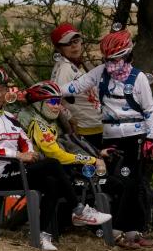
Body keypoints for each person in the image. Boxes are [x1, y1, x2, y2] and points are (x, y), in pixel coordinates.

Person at [0, 68, 110, 250]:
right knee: (52, 163)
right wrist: (18, 155)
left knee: (52, 181)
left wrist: (28, 153)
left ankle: (41, 235)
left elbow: (24, 139)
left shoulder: (9, 117)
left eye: (2, 89)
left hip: (16, 169)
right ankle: (79, 210)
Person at [61, 29, 153, 245]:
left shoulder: (139, 78)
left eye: (116, 59)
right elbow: (77, 86)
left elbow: (150, 110)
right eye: (107, 60)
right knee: (115, 182)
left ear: (127, 55)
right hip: (111, 136)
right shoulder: (100, 72)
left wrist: (150, 138)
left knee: (134, 183)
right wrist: (51, 90)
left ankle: (131, 231)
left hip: (135, 135)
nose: (111, 64)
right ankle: (115, 229)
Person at [17, 81, 112, 232]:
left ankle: (43, 234)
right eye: (52, 102)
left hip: (44, 171)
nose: (57, 106)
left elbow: (69, 143)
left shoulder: (48, 122)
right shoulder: (38, 124)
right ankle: (79, 212)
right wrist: (93, 160)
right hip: (31, 170)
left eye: (59, 102)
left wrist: (96, 154)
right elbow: (58, 155)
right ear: (37, 104)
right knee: (60, 169)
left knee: (55, 182)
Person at [48, 23, 103, 149]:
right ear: (58, 48)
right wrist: (71, 119)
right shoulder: (64, 69)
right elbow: (52, 100)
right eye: (68, 43)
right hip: (86, 131)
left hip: (97, 126)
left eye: (76, 40)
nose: (74, 45)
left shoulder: (76, 64)